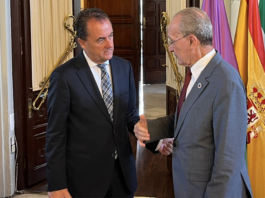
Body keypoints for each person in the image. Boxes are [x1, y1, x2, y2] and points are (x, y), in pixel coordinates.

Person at [134, 7, 253, 198]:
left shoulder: (226, 82)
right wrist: (149, 128)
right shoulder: (195, 73)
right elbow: (188, 118)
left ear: (191, 41)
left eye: (173, 41)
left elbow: (228, 162)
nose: (170, 48)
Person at [46, 8, 140, 198]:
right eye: (101, 40)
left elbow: (130, 115)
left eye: (111, 36)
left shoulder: (124, 67)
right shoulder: (64, 77)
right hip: (84, 180)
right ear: (82, 43)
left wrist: (155, 139)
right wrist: (56, 184)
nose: (110, 44)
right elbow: (56, 134)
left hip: (122, 174)